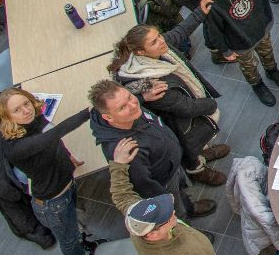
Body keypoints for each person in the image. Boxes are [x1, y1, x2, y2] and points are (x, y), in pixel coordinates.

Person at [108, 2, 230, 187]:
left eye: (158, 36)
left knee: (197, 141)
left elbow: (178, 33)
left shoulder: (155, 52)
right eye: (154, 41)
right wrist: (211, 105)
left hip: (186, 106)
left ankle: (203, 152)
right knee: (190, 147)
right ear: (141, 52)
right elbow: (187, 108)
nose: (162, 41)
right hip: (178, 125)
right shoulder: (155, 85)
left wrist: (199, 13)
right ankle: (197, 170)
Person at [108, 139, 236, 255]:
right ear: (154, 233)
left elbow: (121, 195)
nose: (174, 212)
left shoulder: (136, 218)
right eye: (168, 217)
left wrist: (118, 165)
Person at [0, 88, 95, 255]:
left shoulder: (34, 120)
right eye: (17, 110)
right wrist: (88, 112)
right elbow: (54, 134)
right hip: (53, 201)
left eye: (26, 103)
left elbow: (53, 138)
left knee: (72, 227)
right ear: (7, 117)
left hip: (65, 185)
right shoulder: (17, 147)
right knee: (68, 237)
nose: (26, 110)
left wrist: (68, 156)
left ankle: (81, 248)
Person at [89, 80, 215, 218]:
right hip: (164, 183)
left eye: (130, 97)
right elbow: (144, 185)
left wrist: (143, 98)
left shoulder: (131, 112)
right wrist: (165, 200)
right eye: (122, 107)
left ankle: (189, 207)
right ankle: (185, 226)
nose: (133, 105)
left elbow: (130, 104)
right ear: (107, 117)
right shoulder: (127, 150)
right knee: (175, 209)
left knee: (181, 192)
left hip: (173, 166)